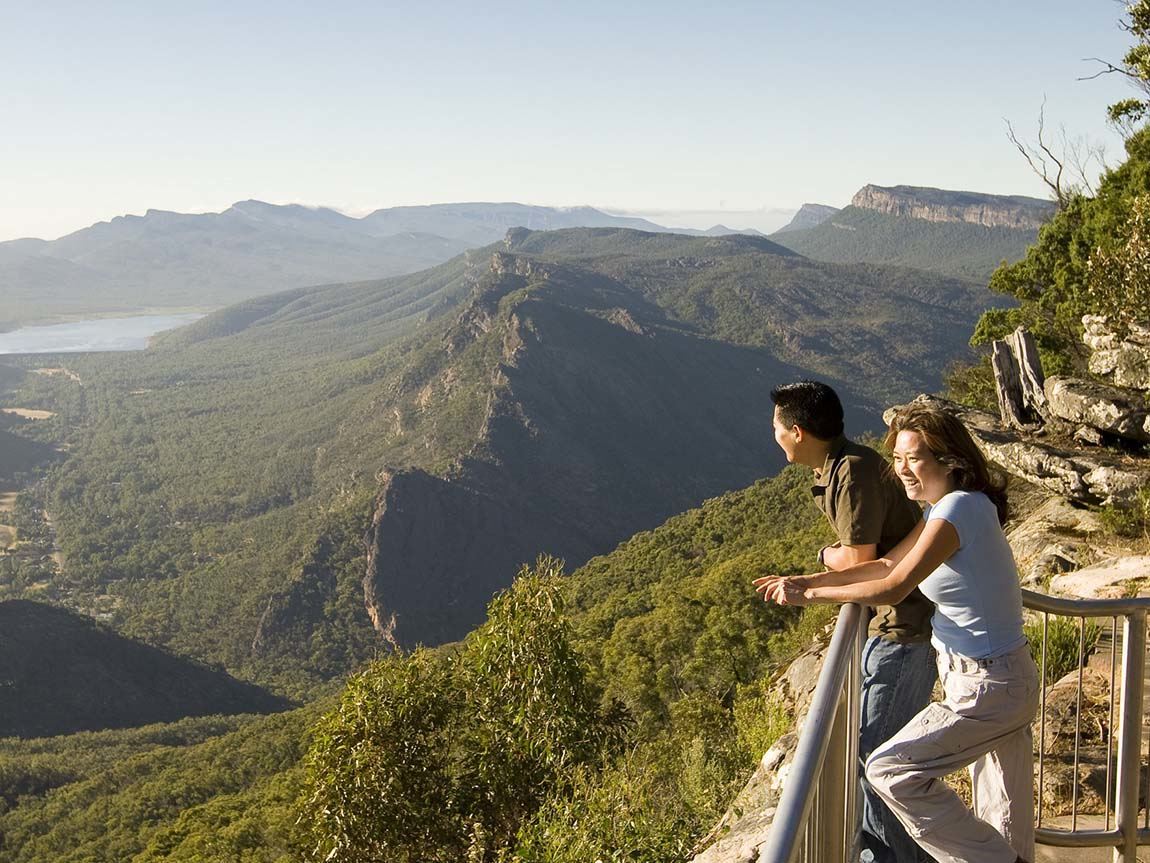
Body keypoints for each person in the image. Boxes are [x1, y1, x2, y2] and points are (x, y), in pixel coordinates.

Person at [756, 403, 1039, 863]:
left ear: (950, 459)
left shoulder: (958, 509)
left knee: (891, 769)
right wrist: (809, 581)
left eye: (914, 458)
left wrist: (808, 599)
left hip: (990, 685)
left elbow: (894, 586)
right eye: (898, 457)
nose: (902, 469)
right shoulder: (943, 509)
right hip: (985, 678)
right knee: (1001, 816)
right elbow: (886, 563)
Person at [766, 381, 936, 863]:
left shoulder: (853, 473)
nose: (774, 434)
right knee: (877, 756)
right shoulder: (841, 467)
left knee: (876, 759)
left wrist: (822, 560)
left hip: (901, 628)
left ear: (797, 432)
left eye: (777, 427)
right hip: (890, 623)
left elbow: (859, 556)